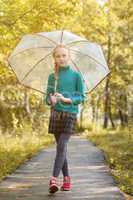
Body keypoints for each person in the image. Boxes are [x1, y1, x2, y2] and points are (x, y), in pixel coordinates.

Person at [45, 44, 86, 194]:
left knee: (62, 145)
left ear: (68, 56)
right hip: (56, 114)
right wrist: (52, 100)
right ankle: (67, 178)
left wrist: (66, 99)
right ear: (54, 58)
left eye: (64, 55)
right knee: (60, 148)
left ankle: (54, 179)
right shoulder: (52, 77)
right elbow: (47, 98)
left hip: (70, 113)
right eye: (58, 56)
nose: (61, 58)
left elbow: (81, 96)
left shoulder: (76, 75)